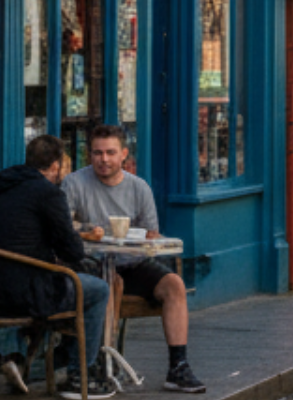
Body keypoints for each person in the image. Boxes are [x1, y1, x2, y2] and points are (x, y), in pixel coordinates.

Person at [64, 125, 205, 394]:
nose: (103, 159)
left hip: (132, 262)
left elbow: (151, 234)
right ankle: (101, 362)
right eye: (97, 153)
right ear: (89, 154)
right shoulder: (74, 183)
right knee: (110, 282)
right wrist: (86, 231)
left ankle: (178, 367)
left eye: (110, 153)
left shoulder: (139, 187)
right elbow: (64, 227)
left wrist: (146, 240)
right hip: (91, 263)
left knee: (174, 285)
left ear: (124, 155)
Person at [0, 134, 113, 400]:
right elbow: (72, 251)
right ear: (56, 165)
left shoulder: (2, 186)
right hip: (24, 294)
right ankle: (79, 374)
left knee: (64, 280)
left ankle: (22, 357)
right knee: (97, 290)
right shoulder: (48, 192)